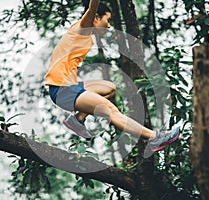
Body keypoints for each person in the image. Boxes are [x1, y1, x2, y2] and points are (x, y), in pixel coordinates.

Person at [44, 0, 180, 152]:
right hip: (62, 89)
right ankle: (153, 138)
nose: (108, 25)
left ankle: (78, 119)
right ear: (96, 18)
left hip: (66, 86)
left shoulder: (82, 34)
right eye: (106, 20)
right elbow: (92, 7)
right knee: (111, 111)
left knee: (109, 88)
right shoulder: (83, 28)